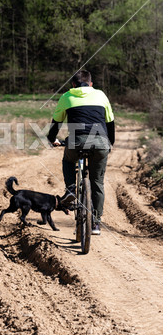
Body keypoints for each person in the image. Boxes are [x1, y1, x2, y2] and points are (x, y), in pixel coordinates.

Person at [47, 70, 115, 235]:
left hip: (77, 142)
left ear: (73, 85)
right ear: (91, 84)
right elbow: (110, 122)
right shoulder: (100, 95)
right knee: (97, 183)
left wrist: (51, 139)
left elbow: (56, 123)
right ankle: (96, 224)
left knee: (68, 161)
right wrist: (109, 143)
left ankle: (71, 189)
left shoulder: (66, 97)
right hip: (100, 143)